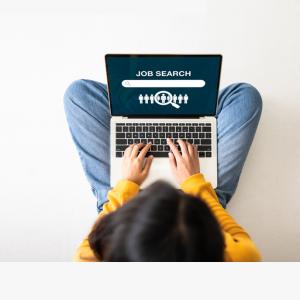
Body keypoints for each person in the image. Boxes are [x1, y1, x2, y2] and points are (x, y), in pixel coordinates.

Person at [64, 80, 262, 262]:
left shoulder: (95, 258)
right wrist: (194, 182)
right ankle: (173, 106)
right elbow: (245, 248)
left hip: (125, 213)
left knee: (78, 93)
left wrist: (125, 185)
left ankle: (154, 105)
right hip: (200, 207)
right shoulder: (237, 257)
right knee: (245, 96)